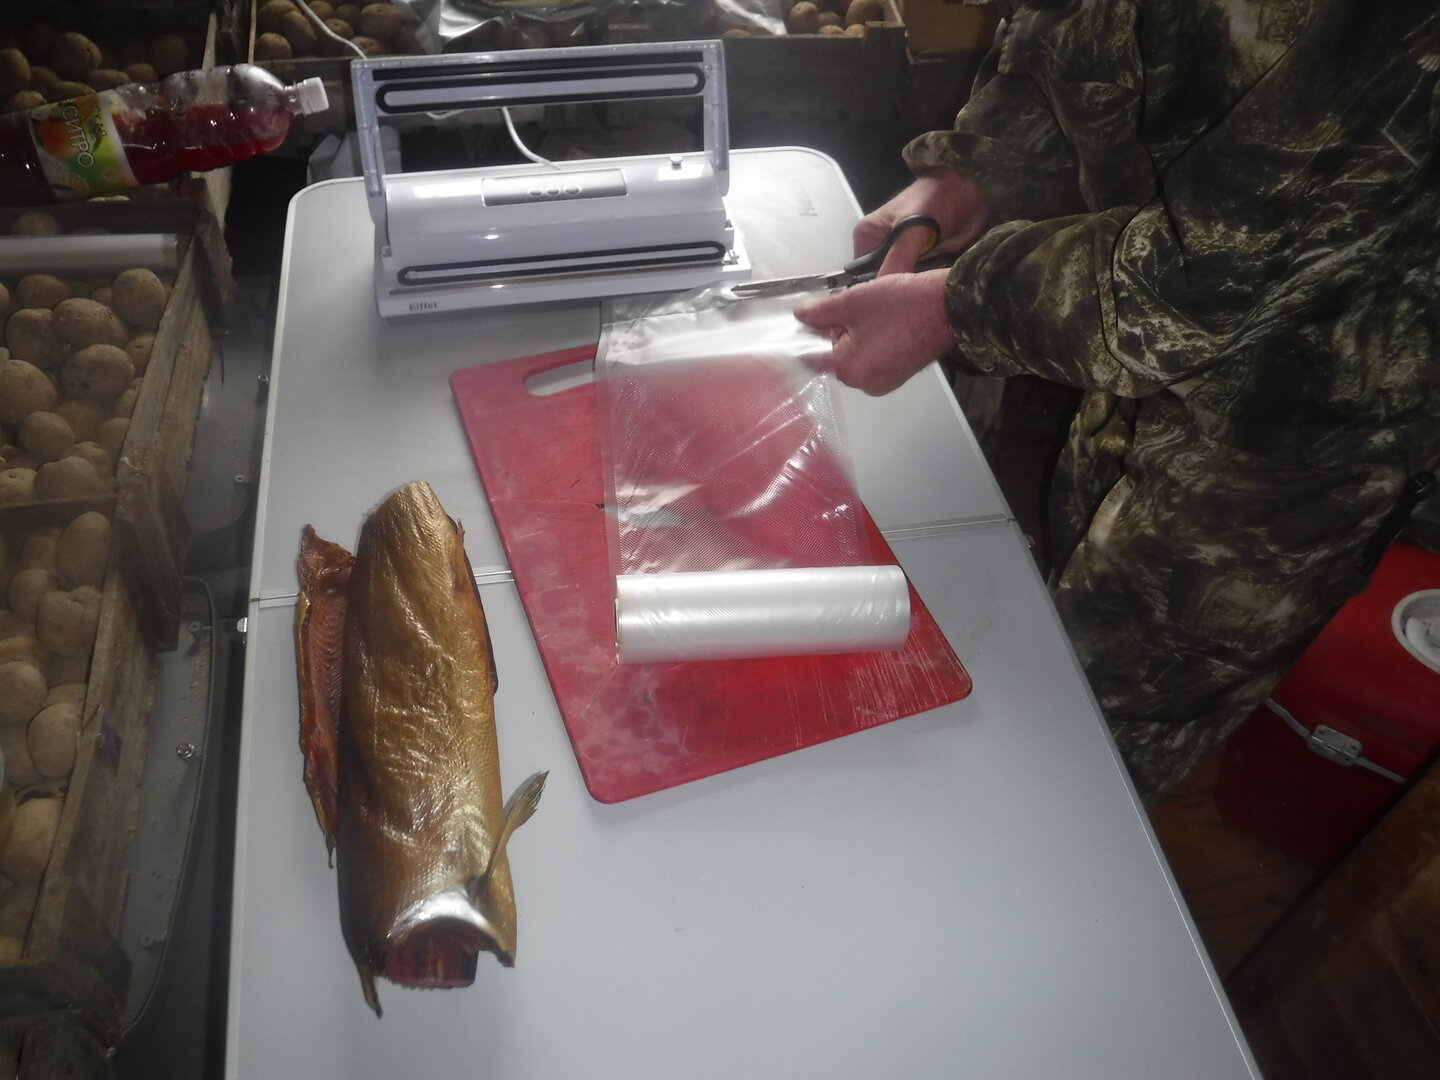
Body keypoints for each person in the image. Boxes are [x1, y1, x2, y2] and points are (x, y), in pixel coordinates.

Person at [795, 0, 1440, 802]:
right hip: (1119, 330)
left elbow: (1223, 268)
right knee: (1058, 605)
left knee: (1092, 734)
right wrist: (967, 173)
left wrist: (954, 307)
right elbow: (1072, 29)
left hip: (1301, 423)